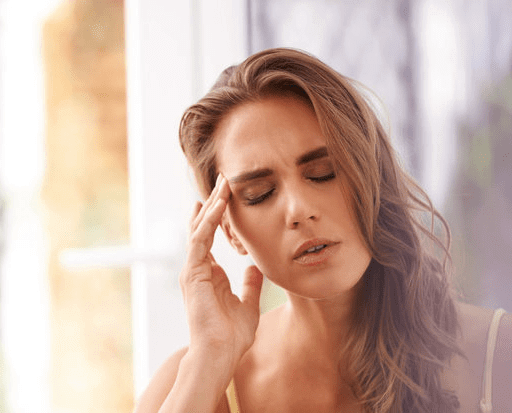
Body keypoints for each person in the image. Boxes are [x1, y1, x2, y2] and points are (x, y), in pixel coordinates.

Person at [133, 48, 511, 412]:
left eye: (322, 173)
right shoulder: (191, 383)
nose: (299, 210)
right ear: (229, 231)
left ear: (373, 175)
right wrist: (207, 365)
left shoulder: (497, 356)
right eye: (260, 194)